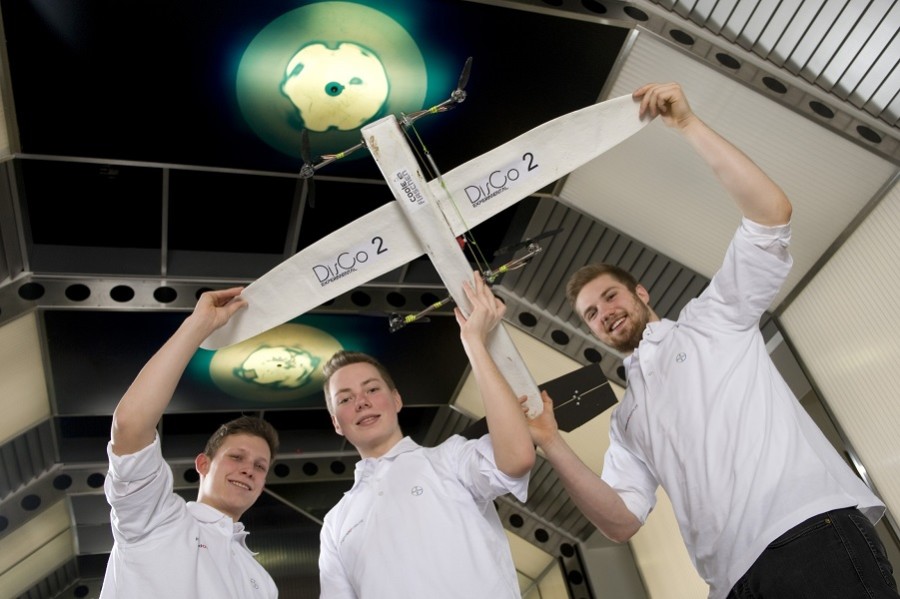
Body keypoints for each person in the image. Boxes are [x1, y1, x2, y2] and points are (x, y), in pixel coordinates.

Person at [527, 82, 899, 599]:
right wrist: (550, 442)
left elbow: (771, 215)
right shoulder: (627, 420)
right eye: (591, 314)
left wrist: (687, 125)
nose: (605, 314)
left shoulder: (712, 320)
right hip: (730, 585)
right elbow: (620, 522)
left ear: (640, 292)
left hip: (806, 533)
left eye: (610, 297)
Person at [317, 272, 536, 598]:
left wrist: (474, 341)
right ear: (337, 422)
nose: (361, 402)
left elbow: (516, 459)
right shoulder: (336, 523)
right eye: (345, 399)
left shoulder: (449, 459)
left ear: (396, 400)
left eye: (372, 389)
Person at [100, 286, 280, 599]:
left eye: (259, 465)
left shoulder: (262, 583)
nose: (249, 469)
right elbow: (130, 425)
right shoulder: (157, 520)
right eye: (236, 457)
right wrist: (198, 327)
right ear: (203, 464)